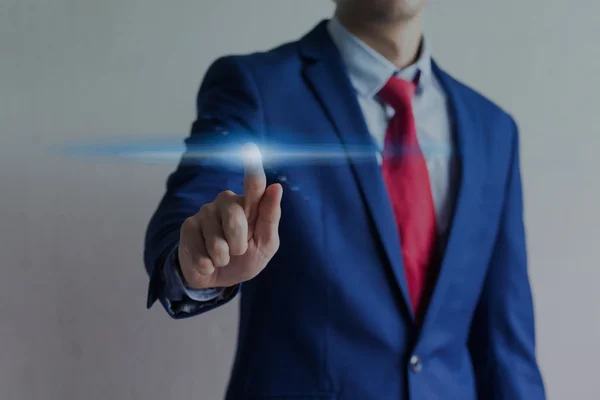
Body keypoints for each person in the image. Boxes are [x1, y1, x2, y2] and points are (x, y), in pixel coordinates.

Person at [144, 0, 547, 398]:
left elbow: (505, 346)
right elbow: (188, 209)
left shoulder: (493, 131)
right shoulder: (255, 88)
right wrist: (195, 257)